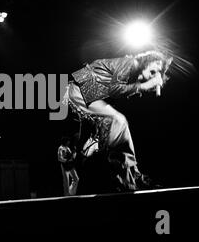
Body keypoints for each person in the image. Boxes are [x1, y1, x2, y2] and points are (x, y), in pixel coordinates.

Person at [63, 50, 173, 191]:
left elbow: (119, 89)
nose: (158, 69)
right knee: (118, 121)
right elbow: (115, 89)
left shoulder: (136, 74)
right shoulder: (130, 62)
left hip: (86, 88)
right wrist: (145, 85)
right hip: (83, 86)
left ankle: (127, 175)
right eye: (156, 64)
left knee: (109, 130)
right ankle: (121, 174)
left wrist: (147, 84)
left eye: (160, 69)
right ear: (147, 60)